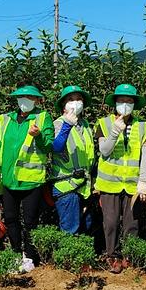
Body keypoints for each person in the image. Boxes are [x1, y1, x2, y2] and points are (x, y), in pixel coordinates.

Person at [0, 84, 54, 272]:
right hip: (9, 179)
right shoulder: (6, 119)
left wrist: (39, 136)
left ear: (37, 100)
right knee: (10, 218)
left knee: (30, 220)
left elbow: (49, 146)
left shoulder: (42, 118)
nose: (25, 100)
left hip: (31, 180)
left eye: (29, 97)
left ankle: (30, 256)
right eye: (21, 96)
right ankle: (16, 253)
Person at [94, 83, 146, 274]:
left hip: (133, 184)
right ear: (115, 102)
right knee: (110, 222)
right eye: (121, 100)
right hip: (109, 183)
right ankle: (112, 256)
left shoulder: (143, 126)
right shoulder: (103, 124)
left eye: (129, 101)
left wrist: (143, 182)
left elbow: (145, 156)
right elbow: (104, 151)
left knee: (131, 223)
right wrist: (115, 131)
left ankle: (129, 255)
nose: (125, 104)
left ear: (134, 104)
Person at [51, 85, 95, 234]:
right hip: (66, 185)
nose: (75, 102)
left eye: (79, 99)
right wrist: (67, 126)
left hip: (85, 186)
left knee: (86, 228)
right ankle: (67, 258)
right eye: (71, 99)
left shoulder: (86, 125)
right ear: (64, 105)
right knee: (70, 230)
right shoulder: (58, 123)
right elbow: (56, 148)